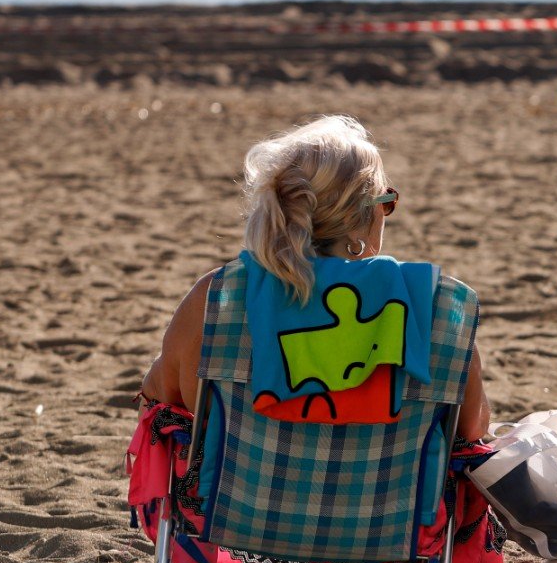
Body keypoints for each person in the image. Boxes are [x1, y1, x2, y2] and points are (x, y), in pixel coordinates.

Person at [140, 114, 490, 440]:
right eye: (386, 201)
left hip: (234, 504)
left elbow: (158, 396)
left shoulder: (217, 297)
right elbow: (472, 430)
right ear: (361, 218)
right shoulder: (440, 305)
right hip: (395, 506)